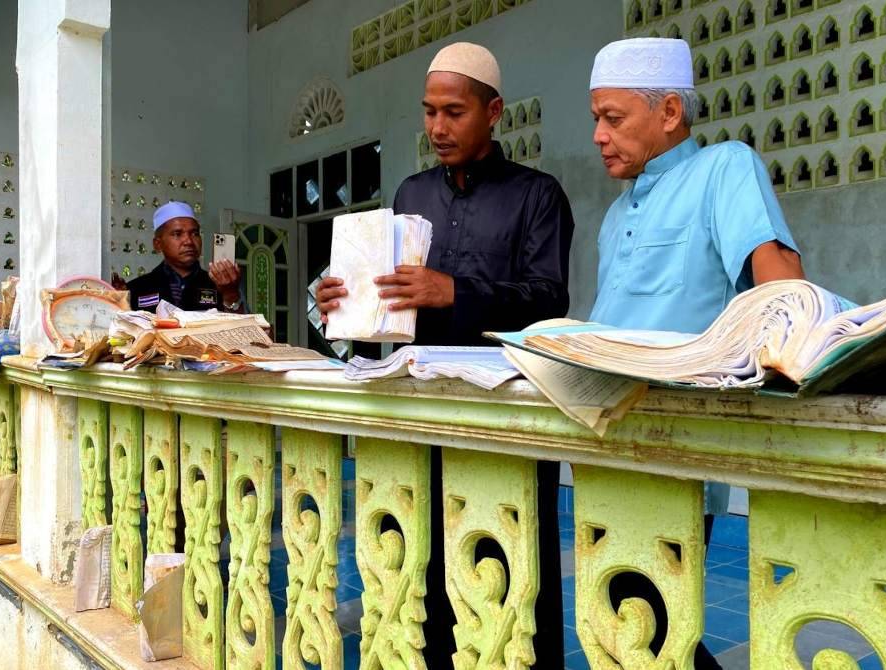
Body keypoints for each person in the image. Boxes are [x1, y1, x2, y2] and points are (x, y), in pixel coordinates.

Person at [318, 42, 574, 667]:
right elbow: (390, 315)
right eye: (429, 112)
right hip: (417, 413)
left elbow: (548, 300)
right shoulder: (411, 193)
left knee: (509, 574)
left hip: (503, 420)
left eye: (453, 112)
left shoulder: (537, 195)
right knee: (419, 569)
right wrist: (341, 304)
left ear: (494, 112)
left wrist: (454, 291)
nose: (437, 128)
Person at [588, 37, 805, 668]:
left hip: (675, 449)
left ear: (671, 113)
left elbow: (783, 282)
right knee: (623, 626)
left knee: (648, 632)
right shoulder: (615, 214)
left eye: (613, 118)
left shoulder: (724, 169)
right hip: (608, 443)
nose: (600, 136)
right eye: (595, 119)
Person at [124, 201, 244, 313]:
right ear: (158, 244)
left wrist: (230, 295)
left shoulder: (222, 284)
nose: (189, 241)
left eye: (195, 233)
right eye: (177, 234)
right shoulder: (136, 288)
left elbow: (245, 332)